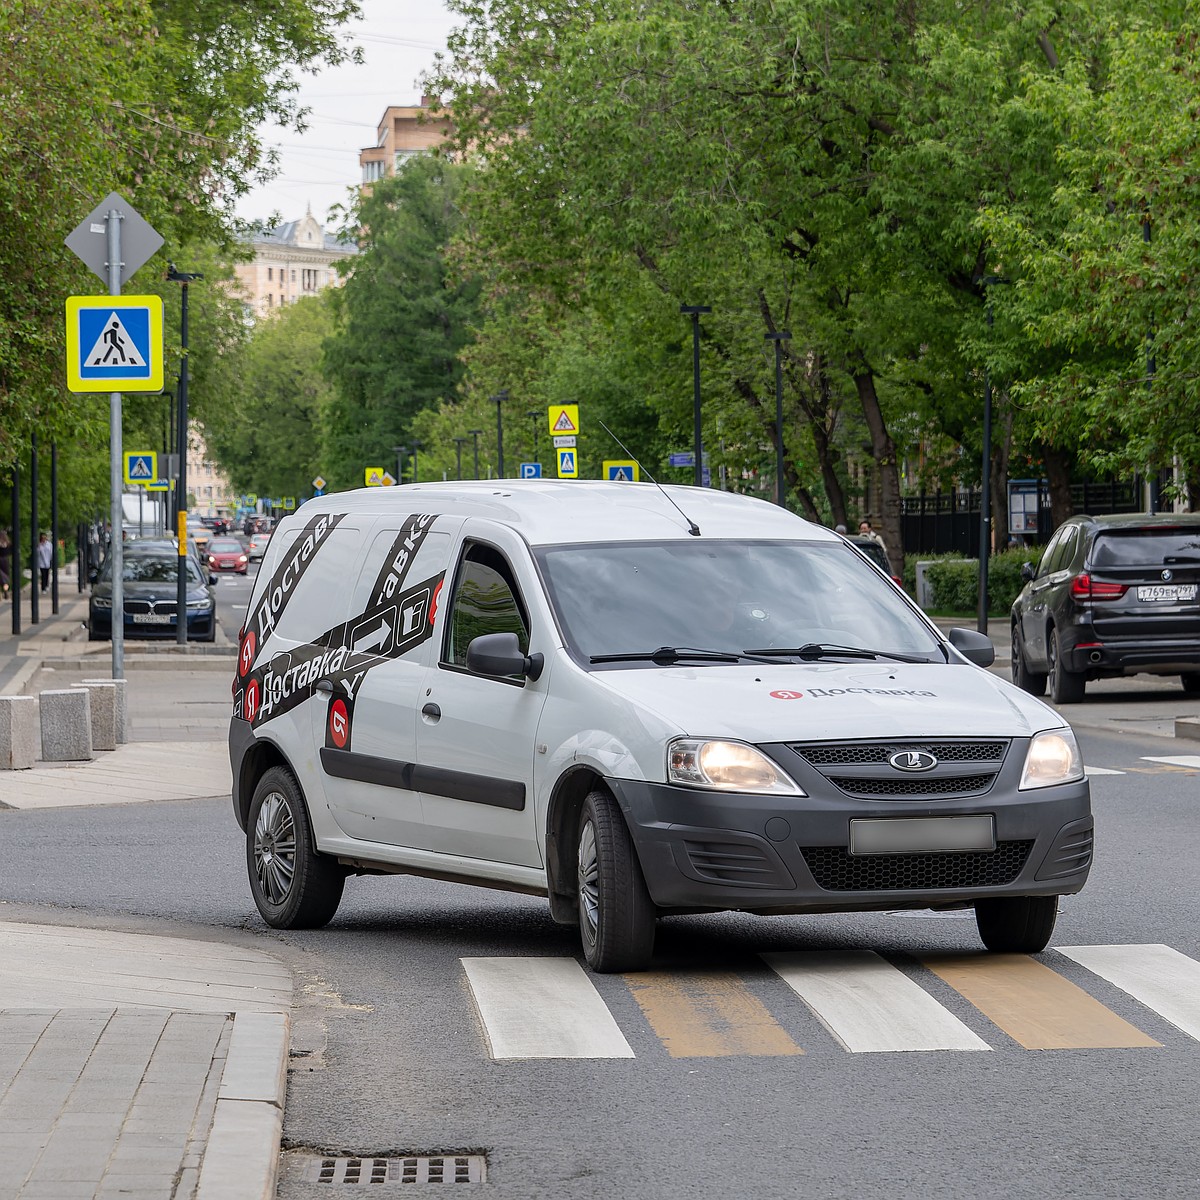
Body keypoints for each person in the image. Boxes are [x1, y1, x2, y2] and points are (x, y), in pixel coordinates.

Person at [0, 529, 11, 600]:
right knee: (5, 578)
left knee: (1, 576)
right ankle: (5, 590)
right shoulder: (8, 543)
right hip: (5, 560)